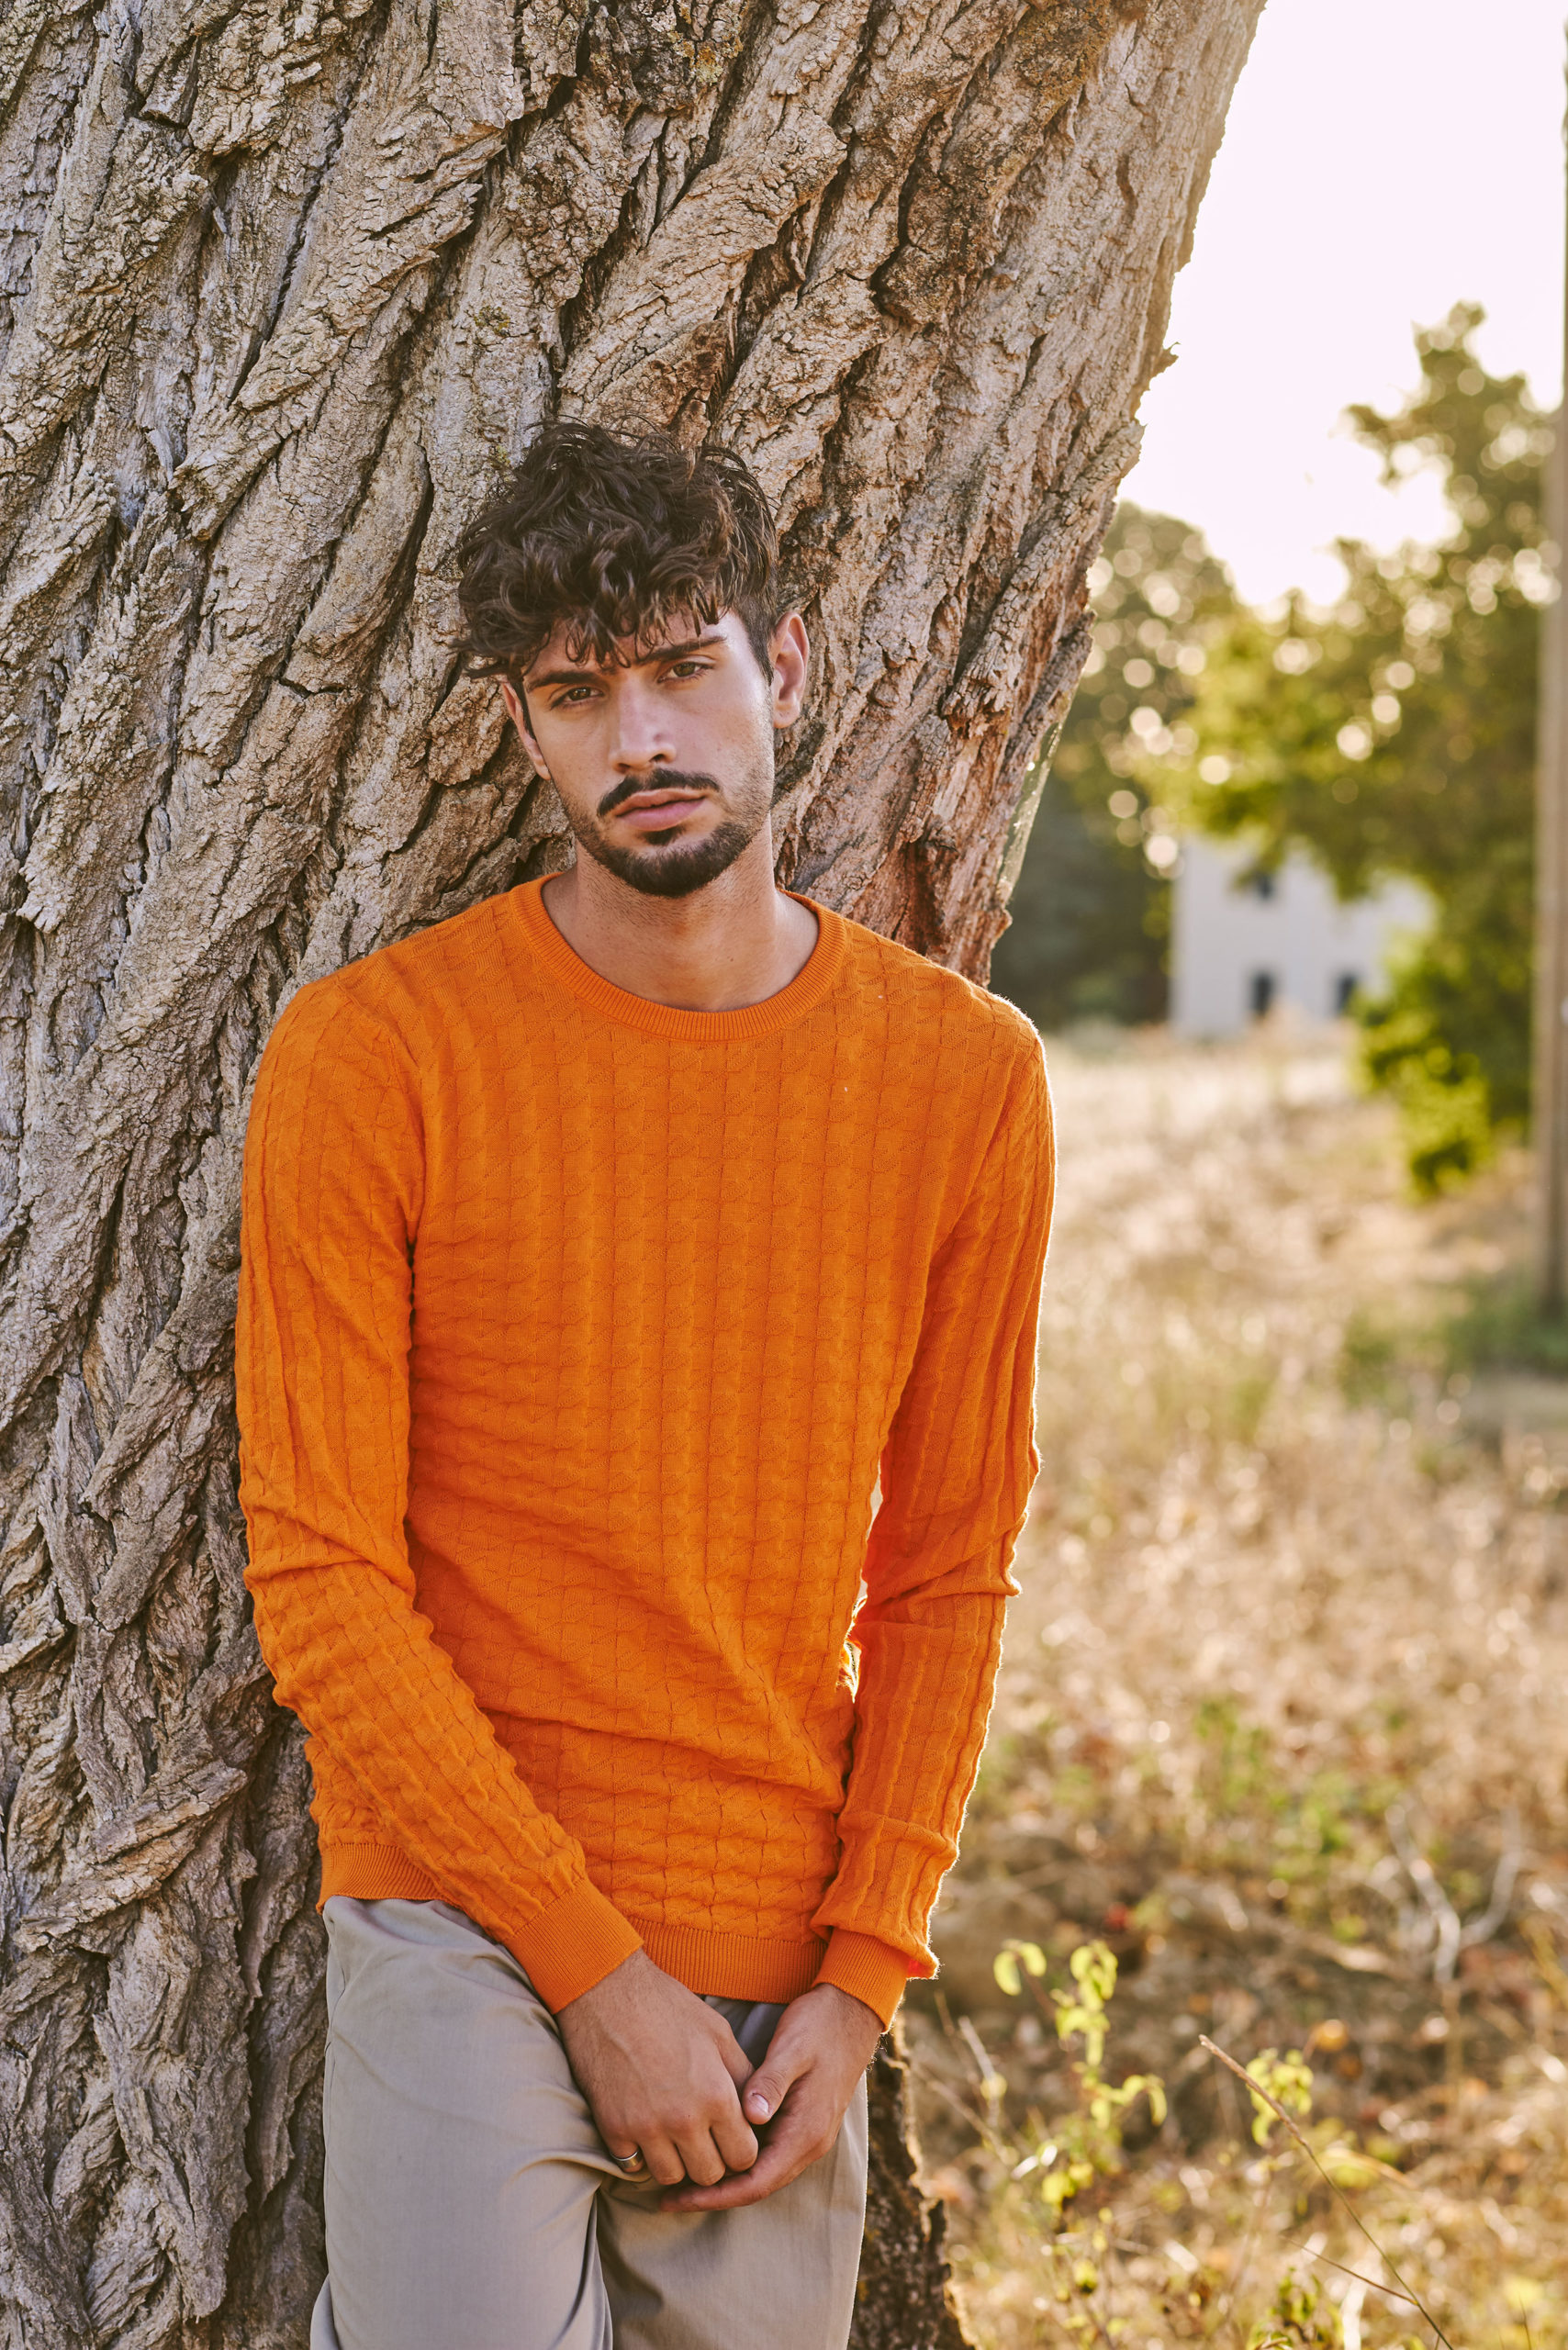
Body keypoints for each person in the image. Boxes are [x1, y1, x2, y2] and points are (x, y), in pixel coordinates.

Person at [235, 420, 1055, 2350]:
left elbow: (947, 1570)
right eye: (577, 694)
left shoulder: (963, 1081)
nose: (642, 736)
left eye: (684, 666)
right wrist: (593, 1972)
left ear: (786, 667)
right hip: (461, 1910)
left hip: (784, 1956)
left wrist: (862, 1975)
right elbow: (322, 1577)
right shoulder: (374, 1055)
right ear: (523, 732)